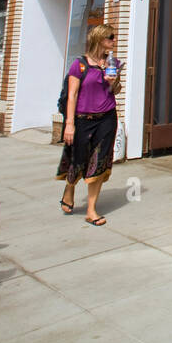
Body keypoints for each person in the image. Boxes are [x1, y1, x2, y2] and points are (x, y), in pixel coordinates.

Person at [56, 25, 122, 225]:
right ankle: (70, 188)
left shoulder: (113, 62)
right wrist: (69, 124)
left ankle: (91, 209)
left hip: (107, 118)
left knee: (99, 160)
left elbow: (115, 90)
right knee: (78, 159)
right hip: (83, 119)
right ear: (99, 39)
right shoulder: (80, 64)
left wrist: (112, 82)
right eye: (110, 37)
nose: (113, 41)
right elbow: (72, 95)